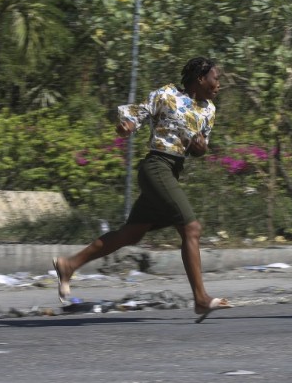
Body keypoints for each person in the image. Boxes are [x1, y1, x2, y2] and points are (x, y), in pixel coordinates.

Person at [52, 56, 231, 323]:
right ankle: (201, 299)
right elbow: (139, 113)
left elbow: (200, 148)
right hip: (156, 167)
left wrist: (200, 146)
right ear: (200, 78)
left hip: (173, 171)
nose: (219, 84)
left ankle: (69, 265)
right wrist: (126, 127)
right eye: (216, 79)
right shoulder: (167, 95)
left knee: (132, 234)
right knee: (191, 228)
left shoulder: (209, 110)